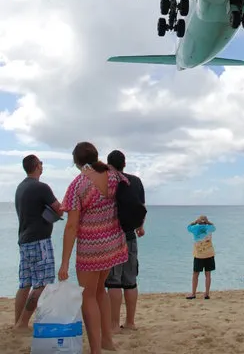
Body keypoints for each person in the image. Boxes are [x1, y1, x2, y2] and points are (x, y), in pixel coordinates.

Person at [58, 142, 129, 354]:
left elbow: (71, 226)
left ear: (76, 162)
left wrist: (64, 263)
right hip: (112, 245)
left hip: (90, 249)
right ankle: (107, 340)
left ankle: (96, 350)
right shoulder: (114, 176)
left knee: (88, 296)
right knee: (100, 292)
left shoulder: (78, 185)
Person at [14, 154, 62, 330]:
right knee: (42, 284)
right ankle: (23, 323)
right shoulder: (42, 187)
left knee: (25, 283)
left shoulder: (20, 187)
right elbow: (59, 209)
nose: (42, 166)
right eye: (41, 163)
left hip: (24, 240)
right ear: (36, 166)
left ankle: (17, 322)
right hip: (39, 241)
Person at [105, 150, 146, 333]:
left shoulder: (109, 181)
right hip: (130, 236)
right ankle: (130, 322)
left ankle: (114, 325)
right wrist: (140, 227)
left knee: (114, 282)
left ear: (109, 165)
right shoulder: (135, 181)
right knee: (130, 281)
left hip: (113, 237)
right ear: (125, 164)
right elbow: (142, 208)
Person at [186, 215, 216, 300]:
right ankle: (206, 294)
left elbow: (188, 227)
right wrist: (208, 222)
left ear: (199, 221)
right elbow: (214, 227)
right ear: (206, 221)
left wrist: (195, 222)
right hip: (209, 254)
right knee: (208, 274)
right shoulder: (209, 227)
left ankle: (193, 294)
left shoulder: (195, 228)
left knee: (195, 274)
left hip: (199, 255)